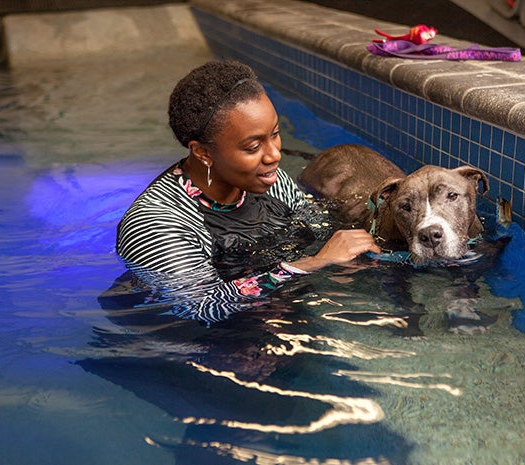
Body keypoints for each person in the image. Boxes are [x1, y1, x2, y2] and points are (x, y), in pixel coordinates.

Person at [115, 60, 380, 323]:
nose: (274, 155)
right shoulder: (156, 223)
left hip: (272, 311)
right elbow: (201, 306)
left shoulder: (272, 183)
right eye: (253, 147)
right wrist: (314, 263)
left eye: (274, 134)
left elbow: (314, 227)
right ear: (203, 153)